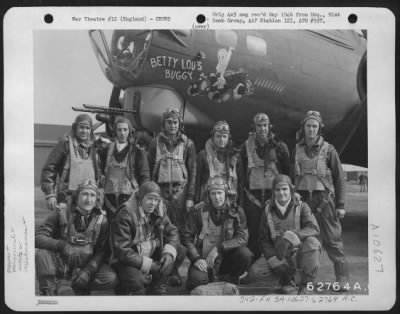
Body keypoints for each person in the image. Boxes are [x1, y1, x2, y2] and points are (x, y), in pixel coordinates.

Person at [293, 110, 349, 289]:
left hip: (324, 201)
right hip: (303, 201)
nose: (311, 129)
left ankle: (342, 279)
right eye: (308, 126)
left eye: (314, 126)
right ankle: (307, 279)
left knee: (333, 241)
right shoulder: (297, 149)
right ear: (304, 127)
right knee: (306, 241)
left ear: (319, 128)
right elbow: (289, 176)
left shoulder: (329, 150)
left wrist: (340, 205)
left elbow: (340, 178)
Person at [35, 180, 118, 295]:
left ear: (96, 199)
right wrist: (62, 245)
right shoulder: (61, 212)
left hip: (85, 263)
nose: (88, 199)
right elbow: (38, 237)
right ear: (76, 196)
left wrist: (88, 271)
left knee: (110, 278)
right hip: (62, 262)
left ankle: (78, 285)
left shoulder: (102, 220)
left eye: (92, 195)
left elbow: (102, 251)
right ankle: (49, 291)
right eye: (84, 194)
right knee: (42, 254)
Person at [110, 182, 186, 295]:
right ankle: (124, 288)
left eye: (156, 200)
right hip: (128, 260)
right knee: (137, 281)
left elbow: (172, 231)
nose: (153, 203)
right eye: (150, 199)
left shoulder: (158, 209)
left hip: (148, 251)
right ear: (140, 198)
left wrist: (169, 254)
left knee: (179, 250)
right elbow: (122, 251)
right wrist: (149, 265)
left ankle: (157, 285)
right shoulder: (126, 213)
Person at [182, 176, 252, 291]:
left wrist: (219, 248)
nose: (217, 197)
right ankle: (210, 277)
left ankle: (231, 279)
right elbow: (186, 237)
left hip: (226, 258)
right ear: (208, 195)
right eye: (213, 193)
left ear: (225, 193)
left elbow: (243, 237)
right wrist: (196, 258)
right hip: (203, 258)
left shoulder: (236, 211)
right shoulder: (197, 211)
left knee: (245, 255)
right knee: (195, 282)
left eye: (220, 193)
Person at [240, 113, 291, 263]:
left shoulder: (280, 147)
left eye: (265, 125)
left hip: (274, 198)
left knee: (276, 232)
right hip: (253, 199)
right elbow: (241, 175)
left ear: (269, 127)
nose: (262, 129)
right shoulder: (246, 147)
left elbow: (287, 174)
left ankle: (280, 265)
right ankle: (251, 266)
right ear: (254, 128)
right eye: (259, 126)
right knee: (254, 234)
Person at [259, 174, 321, 294]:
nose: (281, 193)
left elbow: (314, 228)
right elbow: (263, 239)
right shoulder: (267, 210)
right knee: (255, 273)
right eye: (278, 189)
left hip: (298, 254)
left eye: (284, 189)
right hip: (279, 255)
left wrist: (291, 237)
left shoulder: (302, 206)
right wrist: (272, 258)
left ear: (291, 190)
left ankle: (306, 285)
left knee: (313, 243)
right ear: (273, 191)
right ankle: (287, 280)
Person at [148, 108, 197, 232]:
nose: (172, 125)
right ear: (163, 124)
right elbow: (148, 170)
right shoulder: (154, 143)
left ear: (180, 124)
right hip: (160, 193)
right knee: (159, 227)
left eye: (175, 122)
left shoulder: (188, 144)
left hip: (180, 194)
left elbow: (192, 172)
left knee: (179, 229)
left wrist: (190, 197)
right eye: (169, 122)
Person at [40, 114, 102, 211]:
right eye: (81, 127)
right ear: (75, 128)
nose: (84, 131)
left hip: (89, 197)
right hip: (67, 197)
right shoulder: (65, 144)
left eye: (87, 128)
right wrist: (50, 194)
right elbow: (49, 169)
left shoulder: (96, 147)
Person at [100, 116, 150, 220]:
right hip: (109, 199)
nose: (122, 133)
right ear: (115, 131)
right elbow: (100, 172)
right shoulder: (106, 150)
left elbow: (144, 176)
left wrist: (143, 197)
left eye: (125, 130)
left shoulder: (138, 152)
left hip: (130, 198)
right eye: (119, 130)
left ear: (130, 131)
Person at [195, 120, 243, 204]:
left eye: (224, 136)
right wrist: (195, 200)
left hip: (230, 200)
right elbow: (197, 181)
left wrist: (241, 203)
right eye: (218, 136)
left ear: (228, 138)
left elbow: (241, 182)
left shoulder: (235, 157)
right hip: (209, 200)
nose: (221, 140)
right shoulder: (203, 155)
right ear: (213, 137)